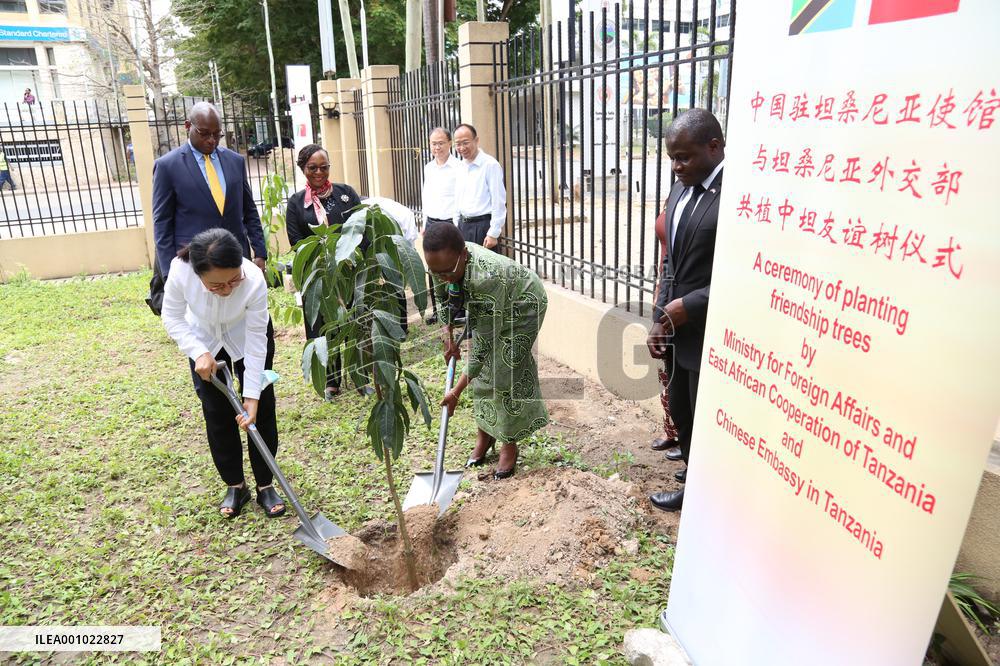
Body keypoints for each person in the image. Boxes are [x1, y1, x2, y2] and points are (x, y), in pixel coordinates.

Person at [161, 228, 285, 519]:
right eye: (217, 286)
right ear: (199, 274)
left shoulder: (253, 279)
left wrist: (252, 396)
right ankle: (235, 485)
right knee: (217, 413)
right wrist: (198, 351)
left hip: (247, 338)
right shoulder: (181, 272)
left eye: (233, 281)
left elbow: (256, 340)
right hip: (203, 340)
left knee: (262, 410)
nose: (228, 290)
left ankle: (266, 485)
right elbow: (173, 317)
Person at [646, 108, 725, 512]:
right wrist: (661, 315)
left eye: (684, 157)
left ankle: (708, 498)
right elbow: (670, 262)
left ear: (714, 147)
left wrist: (689, 306)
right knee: (680, 410)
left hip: (713, 329)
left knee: (706, 417)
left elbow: (742, 270)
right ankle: (695, 487)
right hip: (675, 327)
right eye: (672, 158)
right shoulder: (680, 187)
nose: (676, 167)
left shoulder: (735, 194)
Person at [426, 222, 548, 480]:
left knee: (504, 368)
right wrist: (446, 332)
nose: (443, 277)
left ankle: (509, 442)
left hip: (524, 304)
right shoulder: (442, 264)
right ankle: (485, 435)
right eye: (437, 272)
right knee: (483, 375)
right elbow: (441, 296)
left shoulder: (485, 279)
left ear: (464, 255)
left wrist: (456, 391)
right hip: (494, 303)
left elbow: (483, 348)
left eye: (448, 271)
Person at [149, 101, 267, 315]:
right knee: (202, 328)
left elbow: (249, 210)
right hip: (194, 263)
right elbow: (162, 224)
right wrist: (169, 274)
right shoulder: (168, 166)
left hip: (235, 258)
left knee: (241, 318)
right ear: (188, 126)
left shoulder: (235, 161)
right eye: (204, 133)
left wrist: (260, 251)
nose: (211, 140)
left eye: (217, 134)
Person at [285, 143, 365, 400]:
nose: (319, 172)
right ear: (303, 169)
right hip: (317, 277)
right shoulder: (297, 204)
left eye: (324, 167)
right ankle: (331, 381)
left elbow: (359, 228)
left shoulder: (345, 193)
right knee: (322, 328)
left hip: (349, 272)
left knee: (354, 323)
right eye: (312, 168)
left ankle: (360, 376)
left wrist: (348, 260)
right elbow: (297, 244)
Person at [650, 199, 681, 461]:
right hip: (666, 286)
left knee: (686, 368)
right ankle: (672, 429)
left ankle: (687, 435)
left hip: (687, 295)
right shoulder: (678, 190)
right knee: (666, 364)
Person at [422, 127, 460, 323]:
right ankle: (438, 311)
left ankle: (456, 312)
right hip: (431, 223)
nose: (437, 147)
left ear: (449, 143)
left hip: (449, 224)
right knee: (432, 267)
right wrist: (424, 222)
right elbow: (426, 196)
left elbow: (459, 198)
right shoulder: (428, 168)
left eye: (441, 143)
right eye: (433, 143)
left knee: (453, 268)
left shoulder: (458, 168)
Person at [452, 123, 506, 250]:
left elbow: (498, 201)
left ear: (476, 140)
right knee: (465, 268)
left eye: (465, 142)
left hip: (482, 228)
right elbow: (458, 198)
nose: (462, 147)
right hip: (463, 227)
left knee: (483, 269)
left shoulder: (490, 165)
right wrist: (456, 224)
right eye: (458, 144)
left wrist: (493, 233)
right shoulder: (460, 167)